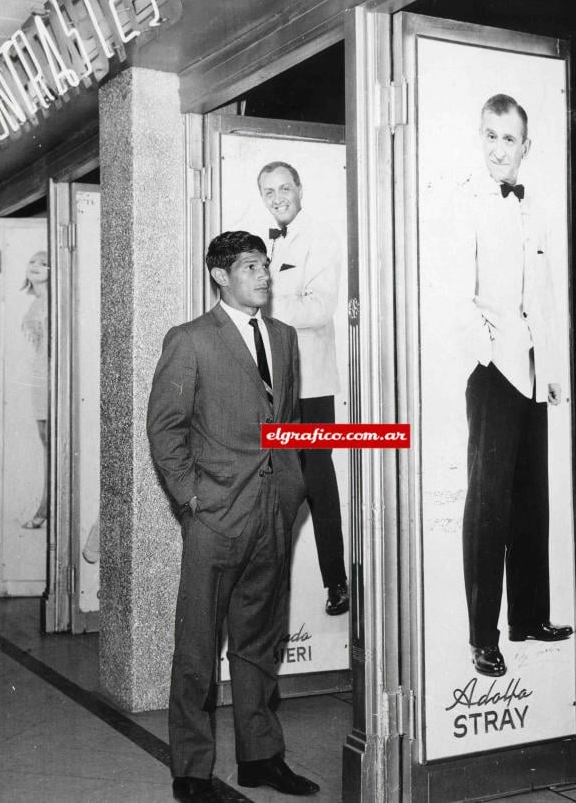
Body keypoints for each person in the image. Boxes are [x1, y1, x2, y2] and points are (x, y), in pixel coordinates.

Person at [147, 231, 320, 802]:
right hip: (216, 516)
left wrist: (293, 490)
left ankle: (261, 757)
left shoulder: (285, 338)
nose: (264, 276)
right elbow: (166, 430)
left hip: (274, 512)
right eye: (250, 267)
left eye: (266, 265)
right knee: (198, 648)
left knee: (260, 643)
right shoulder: (191, 340)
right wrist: (192, 498)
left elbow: (286, 423)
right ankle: (191, 771)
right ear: (220, 276)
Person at [450, 94, 572, 678]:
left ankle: (528, 616)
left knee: (531, 497)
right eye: (491, 136)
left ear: (527, 146)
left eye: (510, 139)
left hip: (530, 370)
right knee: (488, 503)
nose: (500, 148)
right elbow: (457, 291)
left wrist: (550, 369)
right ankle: (483, 635)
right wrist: (489, 358)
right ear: (482, 137)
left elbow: (545, 298)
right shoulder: (467, 202)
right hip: (492, 370)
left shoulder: (534, 207)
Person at [258, 161, 349, 617]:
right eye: (269, 192)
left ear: (300, 189)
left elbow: (321, 306)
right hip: (274, 386)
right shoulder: (265, 244)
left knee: (318, 481)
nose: (278, 198)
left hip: (312, 385)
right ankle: (274, 588)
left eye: (285, 188)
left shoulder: (322, 235)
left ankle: (337, 582)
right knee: (275, 482)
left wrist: (266, 304)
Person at [20, 250, 50, 530]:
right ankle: (48, 502)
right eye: (33, 261)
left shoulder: (53, 302)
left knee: (50, 441)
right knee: (44, 439)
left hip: (49, 377)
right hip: (37, 377)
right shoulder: (34, 302)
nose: (36, 266)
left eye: (43, 263)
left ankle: (47, 504)